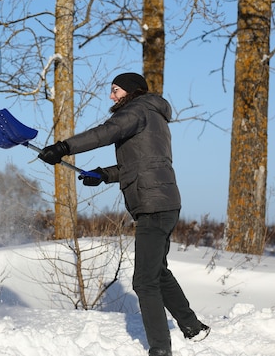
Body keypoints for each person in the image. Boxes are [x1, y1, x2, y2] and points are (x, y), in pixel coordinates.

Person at [37, 72, 210, 356]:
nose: (111, 96)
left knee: (144, 281)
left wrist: (64, 148)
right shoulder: (153, 116)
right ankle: (193, 327)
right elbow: (141, 165)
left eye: (115, 90)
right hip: (165, 202)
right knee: (157, 272)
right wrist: (104, 174)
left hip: (153, 206)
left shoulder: (137, 110)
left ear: (130, 91)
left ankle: (160, 349)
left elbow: (105, 133)